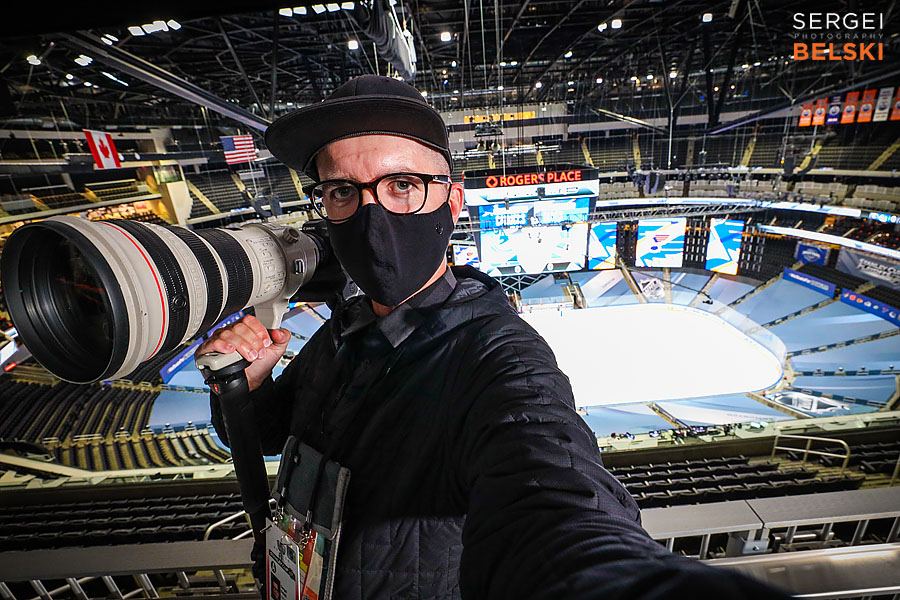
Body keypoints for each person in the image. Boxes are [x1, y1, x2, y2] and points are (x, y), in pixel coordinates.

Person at [198, 75, 789, 599]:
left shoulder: (497, 358)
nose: (372, 212)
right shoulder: (340, 330)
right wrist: (244, 388)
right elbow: (272, 436)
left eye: (402, 184)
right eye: (343, 191)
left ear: (452, 201)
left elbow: (552, 499)